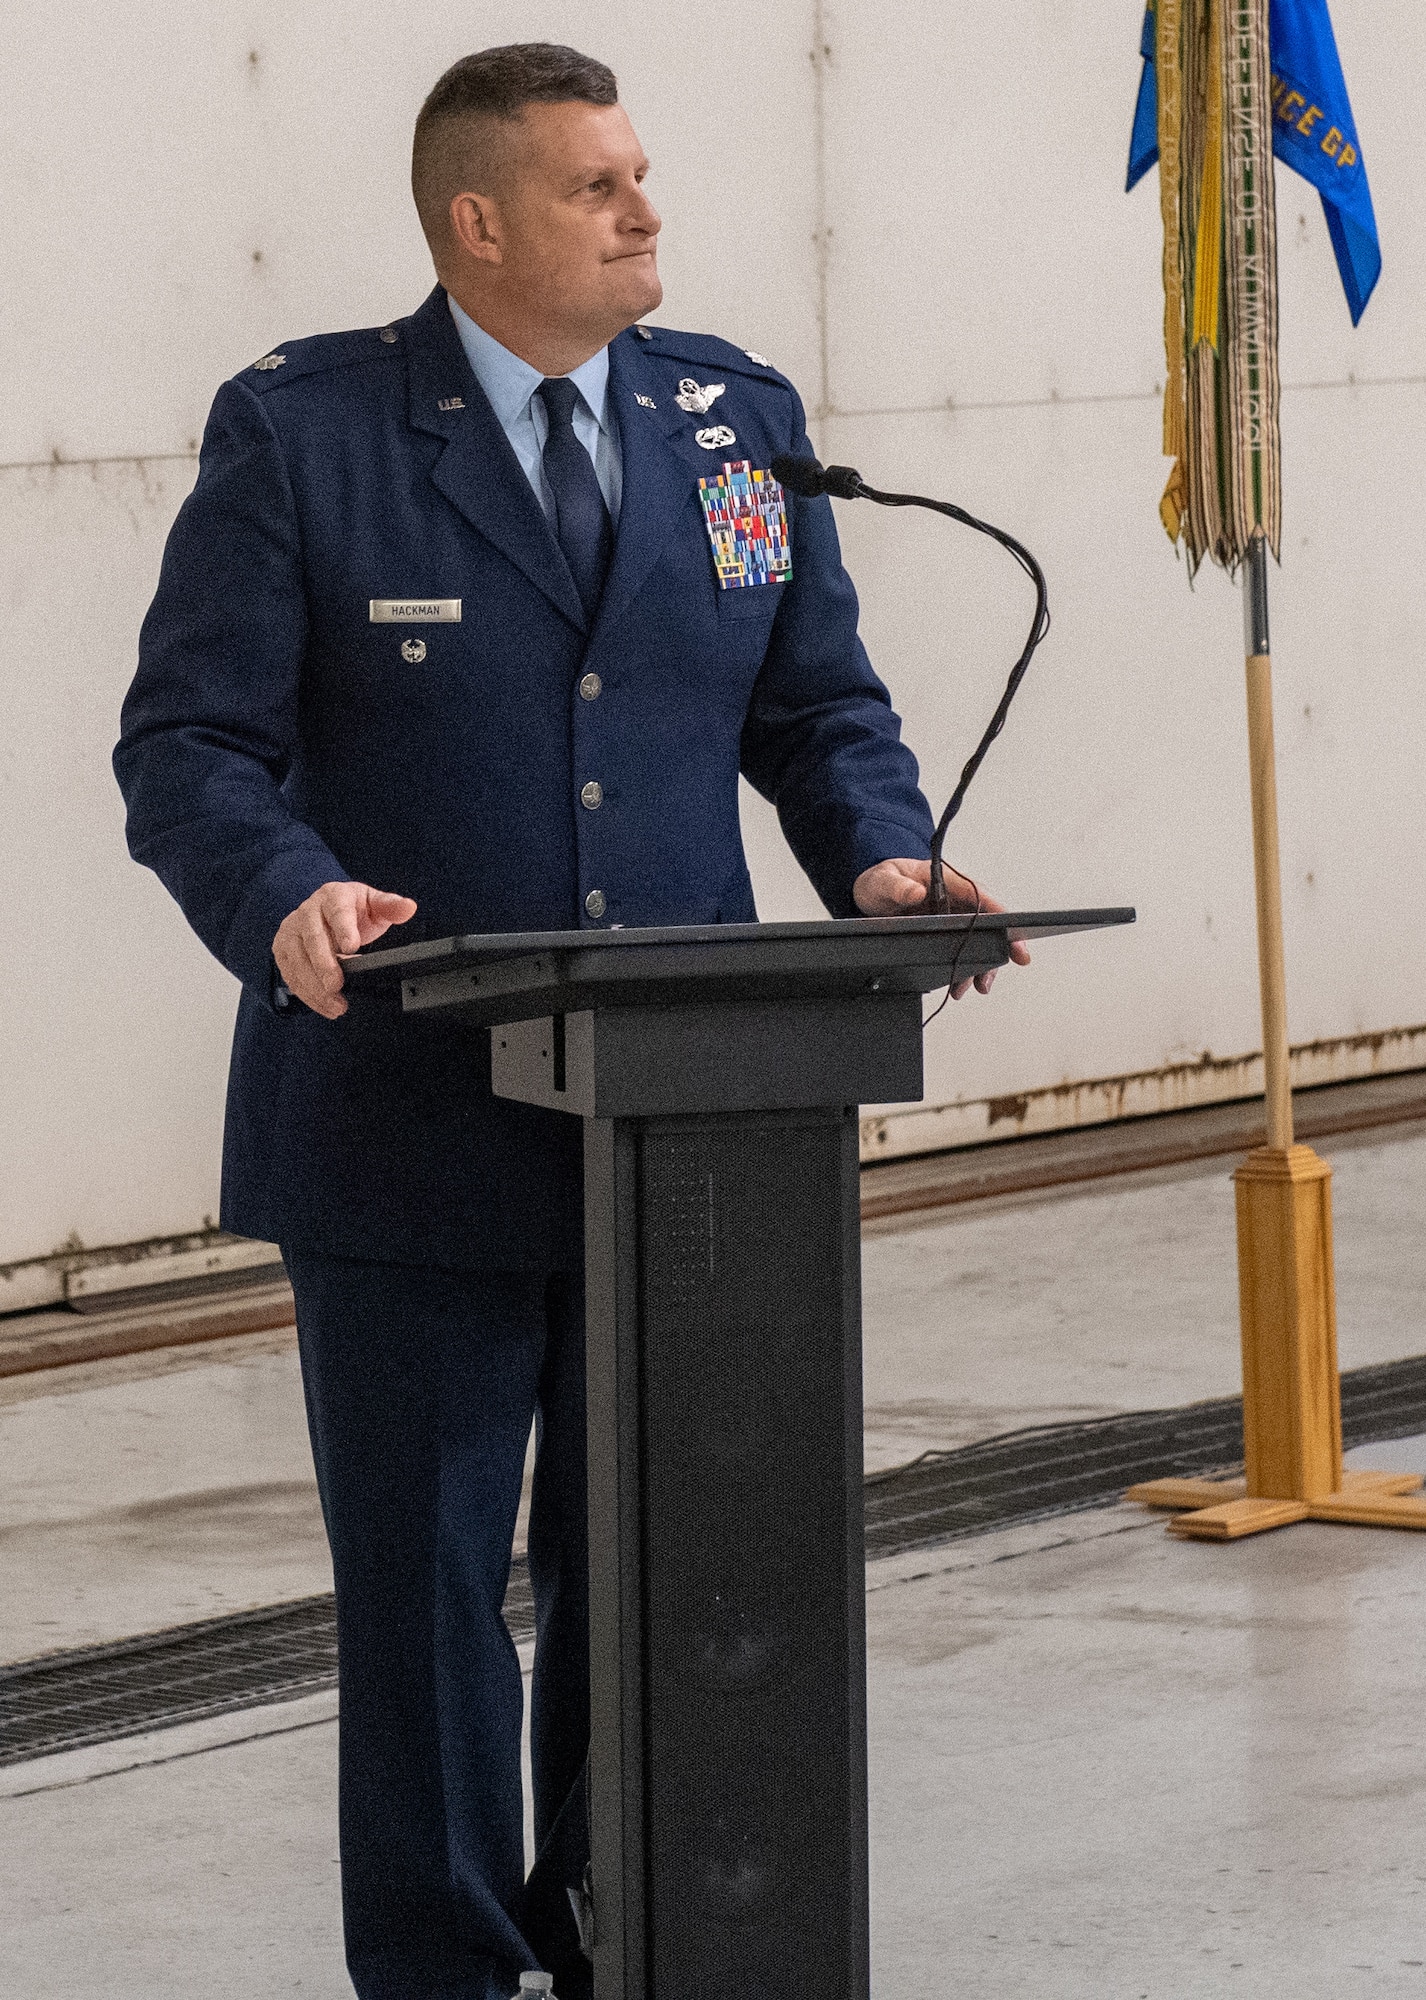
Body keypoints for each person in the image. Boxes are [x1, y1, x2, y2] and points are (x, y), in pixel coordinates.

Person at [113, 42, 1029, 2000]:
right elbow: (190, 745)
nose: (645, 212)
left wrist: (879, 858)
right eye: (598, 184)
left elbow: (818, 710)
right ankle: (443, 1963)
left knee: (658, 1576)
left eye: (641, 176)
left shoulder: (731, 425)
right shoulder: (313, 437)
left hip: (691, 1130)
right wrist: (285, 893)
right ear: (478, 221)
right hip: (404, 1116)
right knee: (437, 1590)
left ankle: (637, 1921)